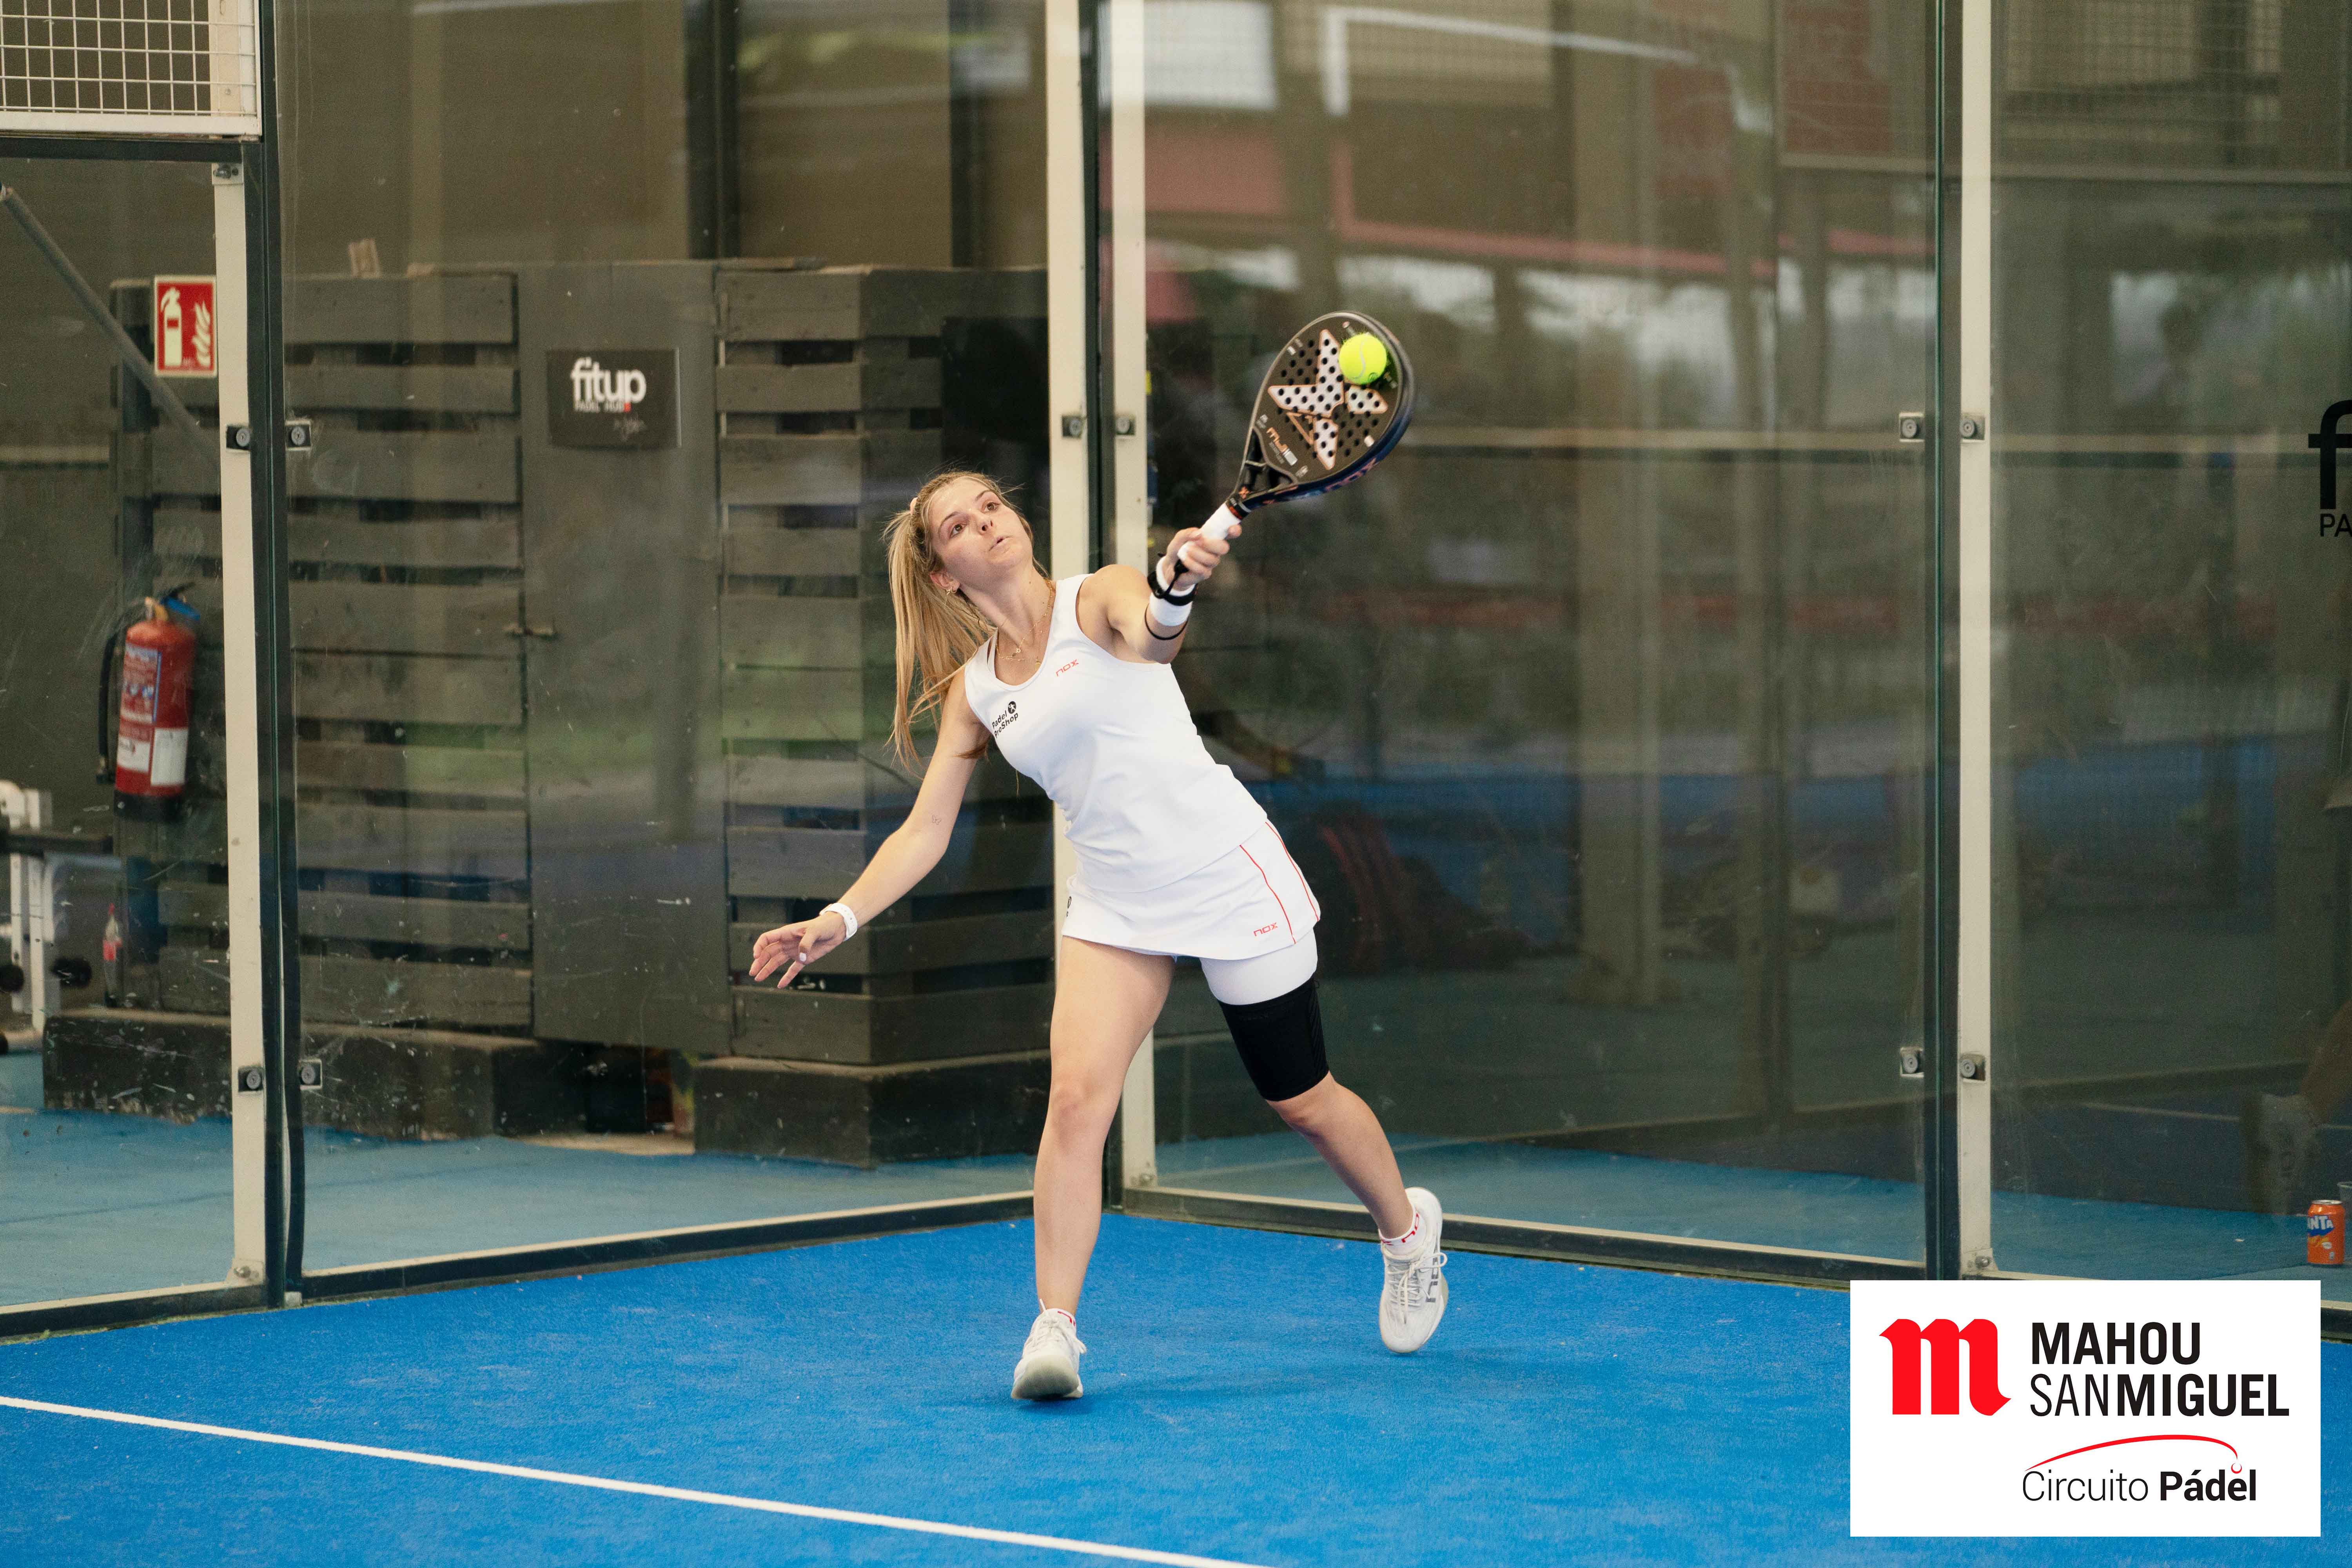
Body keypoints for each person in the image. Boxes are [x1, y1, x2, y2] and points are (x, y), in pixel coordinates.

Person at [748, 471, 1448, 1400]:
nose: (987, 523)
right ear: (944, 572)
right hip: (1118, 904)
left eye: (991, 505)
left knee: (1301, 1099)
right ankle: (1055, 1329)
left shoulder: (1103, 594)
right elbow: (926, 830)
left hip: (1226, 872)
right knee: (1076, 1104)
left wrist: (1176, 582)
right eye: (960, 525)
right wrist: (839, 917)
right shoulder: (976, 691)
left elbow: (1153, 633)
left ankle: (1408, 1234)